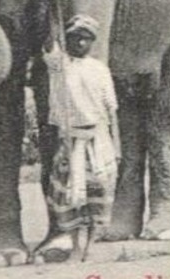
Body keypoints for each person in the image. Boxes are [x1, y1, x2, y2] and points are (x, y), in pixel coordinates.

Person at [44, 15, 120, 262]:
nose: (81, 43)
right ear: (69, 40)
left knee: (97, 194)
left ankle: (91, 247)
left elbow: (111, 110)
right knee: (72, 196)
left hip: (98, 140)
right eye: (76, 38)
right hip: (70, 139)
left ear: (92, 42)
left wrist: (116, 143)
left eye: (86, 39)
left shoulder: (99, 70)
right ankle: (76, 248)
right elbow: (49, 46)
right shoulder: (60, 66)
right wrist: (53, 17)